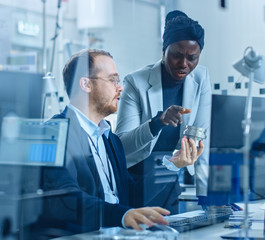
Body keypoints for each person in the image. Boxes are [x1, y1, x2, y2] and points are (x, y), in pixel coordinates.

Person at [34, 49, 171, 236]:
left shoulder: (110, 140)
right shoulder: (53, 133)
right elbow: (65, 198)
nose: (120, 87)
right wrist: (121, 215)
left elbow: (130, 192)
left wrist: (172, 166)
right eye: (112, 80)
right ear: (86, 84)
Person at [115, 10, 211, 213]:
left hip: (169, 176)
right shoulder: (136, 82)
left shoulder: (201, 78)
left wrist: (206, 198)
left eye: (192, 57)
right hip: (135, 180)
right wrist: (157, 122)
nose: (184, 64)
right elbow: (121, 146)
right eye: (176, 55)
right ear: (164, 51)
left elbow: (201, 138)